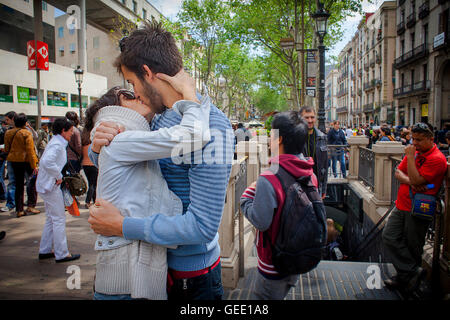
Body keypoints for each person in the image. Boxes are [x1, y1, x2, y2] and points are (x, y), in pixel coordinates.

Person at [87, 22, 234, 300]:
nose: (135, 94)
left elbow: (201, 227)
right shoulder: (156, 114)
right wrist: (100, 146)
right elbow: (130, 168)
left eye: (133, 83)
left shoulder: (214, 125)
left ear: (148, 73)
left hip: (192, 276)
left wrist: (121, 226)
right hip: (153, 265)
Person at [84, 73, 210, 300]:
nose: (138, 94)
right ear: (115, 110)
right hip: (124, 283)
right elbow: (192, 135)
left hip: (129, 278)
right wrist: (190, 94)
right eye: (129, 93)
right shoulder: (121, 141)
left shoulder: (126, 140)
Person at [240, 112, 316, 299]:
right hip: (297, 257)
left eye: (271, 134)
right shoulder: (309, 172)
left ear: (279, 139)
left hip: (273, 263)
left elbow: (261, 221)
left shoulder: (269, 178)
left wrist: (246, 196)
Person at [382, 122, 447, 293]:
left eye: (418, 140)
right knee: (389, 236)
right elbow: (398, 172)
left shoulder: (436, 159)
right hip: (401, 204)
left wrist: (410, 159)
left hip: (419, 207)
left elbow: (419, 181)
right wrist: (412, 181)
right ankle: (412, 272)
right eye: (413, 139)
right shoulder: (416, 152)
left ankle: (407, 281)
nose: (414, 143)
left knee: (413, 245)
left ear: (430, 139)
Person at [36, 117, 80, 263]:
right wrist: (58, 175)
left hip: (46, 185)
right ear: (63, 130)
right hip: (50, 185)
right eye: (70, 131)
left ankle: (45, 249)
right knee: (59, 219)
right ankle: (62, 253)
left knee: (51, 218)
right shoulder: (58, 145)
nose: (72, 133)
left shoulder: (56, 142)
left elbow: (46, 161)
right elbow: (46, 161)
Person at [4, 113, 39, 218]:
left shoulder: (8, 132)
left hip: (14, 161)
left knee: (18, 185)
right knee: (32, 182)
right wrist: (34, 165)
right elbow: (30, 151)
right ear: (25, 122)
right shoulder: (26, 133)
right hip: (26, 161)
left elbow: (6, 149)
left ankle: (19, 209)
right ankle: (31, 205)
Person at [300, 106, 328, 199]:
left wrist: (324, 188)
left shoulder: (322, 137)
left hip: (317, 186)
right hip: (300, 186)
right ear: (300, 118)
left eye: (312, 117)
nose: (310, 120)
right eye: (306, 117)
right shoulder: (295, 137)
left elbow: (325, 165)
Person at [0, 111, 17, 212]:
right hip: (11, 158)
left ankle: (13, 203)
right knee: (13, 182)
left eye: (7, 120)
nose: (6, 122)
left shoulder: (21, 130)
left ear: (13, 119)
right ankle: (12, 203)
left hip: (17, 159)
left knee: (14, 182)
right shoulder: (8, 131)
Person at [81, 129, 98, 209]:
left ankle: (94, 201)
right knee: (93, 184)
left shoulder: (83, 144)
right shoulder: (93, 144)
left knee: (91, 183)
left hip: (85, 165)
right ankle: (88, 201)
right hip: (93, 165)